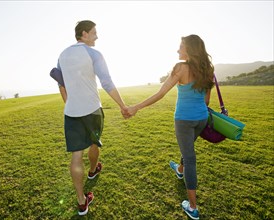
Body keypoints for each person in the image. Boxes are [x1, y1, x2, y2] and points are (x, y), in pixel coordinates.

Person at [127, 34, 214, 220]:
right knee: (187, 148)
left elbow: (161, 93)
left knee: (190, 157)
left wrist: (136, 107)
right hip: (201, 118)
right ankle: (179, 169)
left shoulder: (180, 68)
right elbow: (207, 100)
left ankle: (192, 207)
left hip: (184, 119)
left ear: (189, 49)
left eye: (180, 46)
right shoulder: (208, 69)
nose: (177, 50)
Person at [52, 20, 129, 216]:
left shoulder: (62, 55)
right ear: (84, 34)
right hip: (93, 110)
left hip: (71, 113)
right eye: (94, 32)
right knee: (94, 143)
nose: (97, 36)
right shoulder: (94, 54)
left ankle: (81, 202)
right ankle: (93, 170)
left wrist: (70, 104)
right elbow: (107, 82)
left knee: (76, 155)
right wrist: (122, 106)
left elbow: (61, 85)